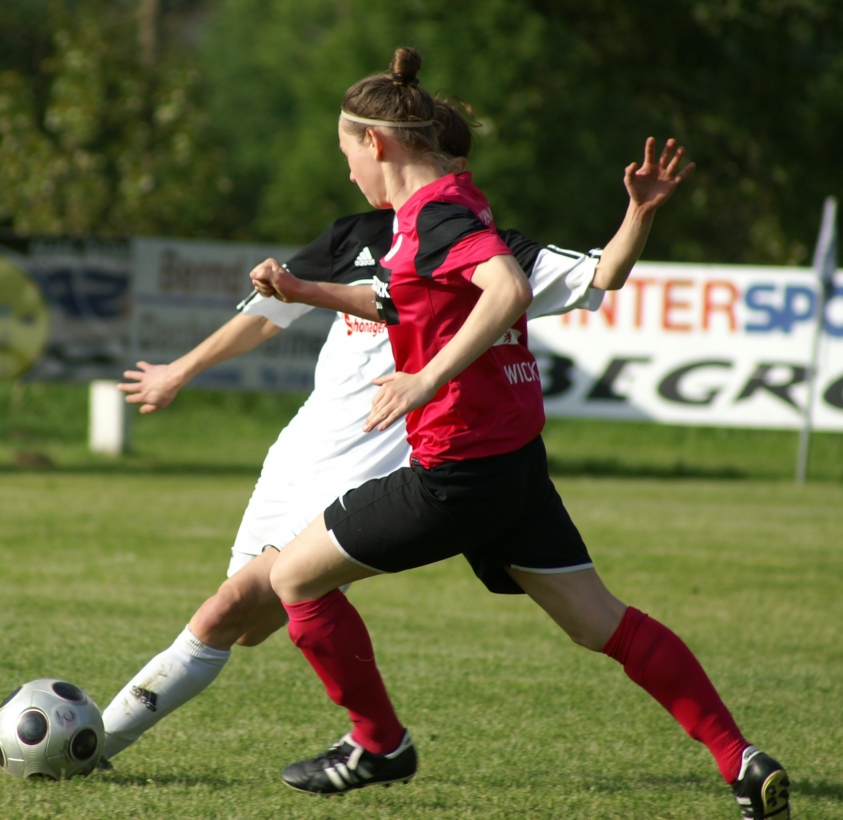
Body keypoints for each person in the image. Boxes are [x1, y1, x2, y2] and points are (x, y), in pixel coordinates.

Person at [249, 48, 789, 820]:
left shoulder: (435, 216)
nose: (347, 176)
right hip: (512, 470)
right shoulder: (441, 209)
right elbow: (406, 299)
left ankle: (378, 744)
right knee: (603, 624)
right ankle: (743, 760)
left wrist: (426, 379)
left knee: (292, 581)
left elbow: (505, 287)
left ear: (377, 144)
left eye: (347, 155)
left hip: (455, 472)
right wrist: (302, 289)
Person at [99, 104, 688, 771]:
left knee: (230, 608)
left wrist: (639, 213)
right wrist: (181, 370)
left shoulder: (488, 247)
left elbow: (599, 274)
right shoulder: (357, 237)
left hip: (376, 472)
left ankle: (90, 744)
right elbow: (273, 312)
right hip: (297, 460)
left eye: (455, 167)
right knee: (249, 624)